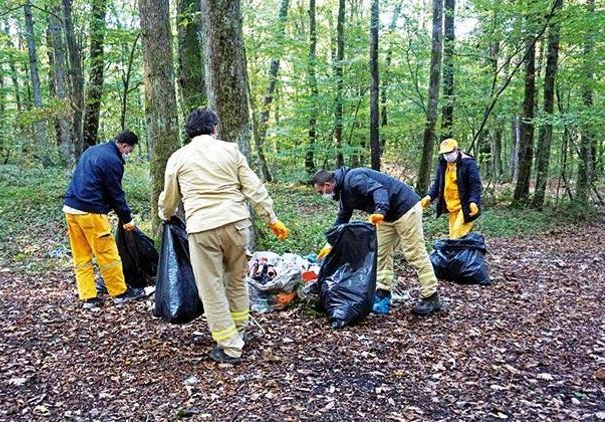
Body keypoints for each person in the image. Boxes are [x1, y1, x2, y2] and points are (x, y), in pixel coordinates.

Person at [158, 108, 289, 365]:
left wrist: (166, 214)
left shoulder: (178, 157)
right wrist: (271, 218)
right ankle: (238, 332)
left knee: (212, 288)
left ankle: (229, 347)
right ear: (214, 128)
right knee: (237, 280)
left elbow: (170, 198)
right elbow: (254, 187)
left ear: (189, 132)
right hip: (237, 225)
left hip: (203, 228)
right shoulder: (231, 150)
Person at [312, 167, 442, 316]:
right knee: (380, 253)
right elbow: (343, 218)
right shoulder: (344, 193)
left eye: (320, 192)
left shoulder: (354, 178)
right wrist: (330, 243)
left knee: (414, 253)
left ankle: (431, 296)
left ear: (328, 185)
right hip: (387, 216)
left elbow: (379, 191)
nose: (322, 195)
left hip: (405, 208)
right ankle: (383, 292)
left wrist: (380, 211)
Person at [63, 130, 147, 311]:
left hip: (70, 208)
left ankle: (88, 297)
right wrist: (127, 219)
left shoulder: (92, 151)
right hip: (90, 212)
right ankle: (119, 294)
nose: (128, 154)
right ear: (124, 145)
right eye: (129, 151)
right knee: (107, 253)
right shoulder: (113, 160)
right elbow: (115, 193)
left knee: (81, 256)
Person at [421, 138, 483, 239]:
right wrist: (429, 196)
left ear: (456, 150)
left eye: (449, 152)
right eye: (445, 153)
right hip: (452, 206)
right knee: (453, 236)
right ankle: (460, 254)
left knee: (457, 234)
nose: (447, 156)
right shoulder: (443, 164)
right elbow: (438, 184)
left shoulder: (468, 163)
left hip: (466, 206)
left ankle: (461, 253)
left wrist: (473, 201)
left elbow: (475, 185)